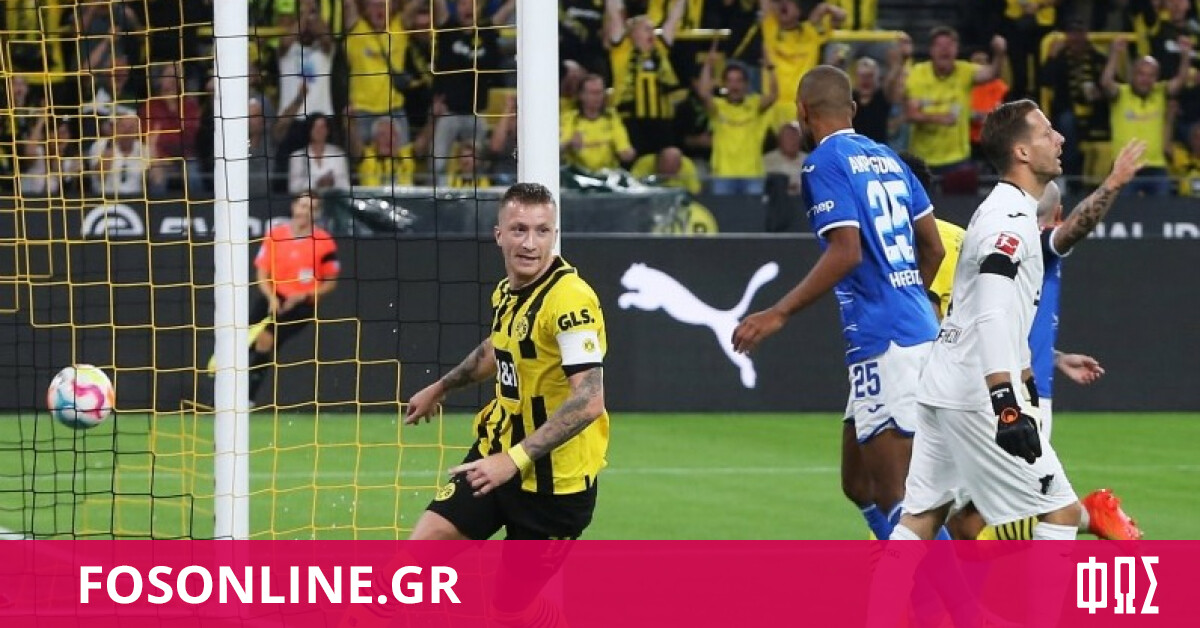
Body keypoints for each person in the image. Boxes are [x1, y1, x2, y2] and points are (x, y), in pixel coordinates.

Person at [731, 66, 945, 543]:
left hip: (885, 342)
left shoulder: (823, 163)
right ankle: (913, 571)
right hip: (914, 332)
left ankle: (950, 590)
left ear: (802, 112)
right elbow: (933, 249)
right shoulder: (890, 158)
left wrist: (778, 312)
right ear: (851, 108)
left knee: (899, 500)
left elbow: (846, 251)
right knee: (858, 483)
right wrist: (908, 295)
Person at [900, 150, 1147, 542]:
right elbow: (989, 320)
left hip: (1006, 392)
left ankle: (1086, 518)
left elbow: (995, 316)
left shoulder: (1028, 239)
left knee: (1013, 514)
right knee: (959, 520)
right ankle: (1087, 518)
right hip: (988, 384)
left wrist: (1112, 184)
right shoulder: (1008, 237)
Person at [405, 182, 609, 541]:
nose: (530, 243)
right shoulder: (506, 292)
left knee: (512, 584)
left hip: (554, 485)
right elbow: (497, 348)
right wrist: (440, 388)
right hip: (495, 452)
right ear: (499, 235)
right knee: (422, 550)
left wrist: (513, 460)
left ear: (554, 235)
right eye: (519, 230)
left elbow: (589, 400)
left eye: (542, 231)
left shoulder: (570, 300)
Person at [248, 193, 340, 403]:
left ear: (317, 213)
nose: (305, 212)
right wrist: (271, 297)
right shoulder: (275, 235)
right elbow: (262, 274)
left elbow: (330, 282)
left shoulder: (324, 242)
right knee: (246, 343)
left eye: (311, 208)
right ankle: (232, 394)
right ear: (294, 207)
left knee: (265, 340)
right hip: (272, 298)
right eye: (303, 206)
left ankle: (247, 398)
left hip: (301, 306)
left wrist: (305, 294)